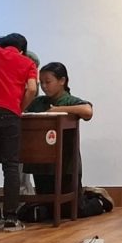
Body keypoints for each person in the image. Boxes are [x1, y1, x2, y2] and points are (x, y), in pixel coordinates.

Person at [0, 33, 38, 231]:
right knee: (11, 166)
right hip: (10, 114)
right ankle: (11, 217)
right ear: (22, 50)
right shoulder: (28, 63)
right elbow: (31, 89)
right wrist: (19, 108)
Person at [23, 62, 93, 219]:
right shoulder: (38, 102)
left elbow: (87, 111)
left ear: (62, 81)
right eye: (41, 83)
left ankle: (98, 198)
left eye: (48, 82)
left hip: (66, 163)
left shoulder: (69, 100)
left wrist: (57, 110)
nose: (44, 86)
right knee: (48, 209)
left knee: (73, 210)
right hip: (41, 163)